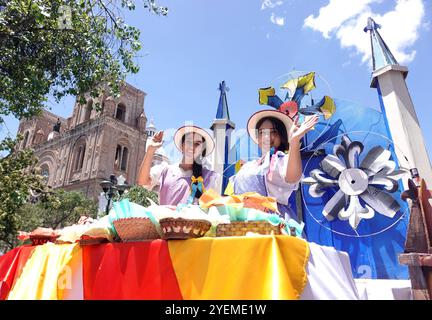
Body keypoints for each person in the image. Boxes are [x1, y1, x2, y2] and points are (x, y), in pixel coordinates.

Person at [229, 110, 318, 221]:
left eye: (273, 132)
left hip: (273, 223)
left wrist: (294, 141)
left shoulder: (280, 160)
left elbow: (292, 177)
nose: (267, 137)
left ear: (281, 136)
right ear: (257, 138)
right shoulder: (248, 166)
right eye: (262, 132)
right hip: (242, 225)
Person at [137, 125, 220, 206]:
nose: (192, 147)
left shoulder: (210, 177)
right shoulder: (165, 170)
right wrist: (150, 150)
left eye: (197, 144)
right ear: (182, 146)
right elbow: (143, 182)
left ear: (202, 150)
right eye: (188, 142)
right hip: (165, 219)